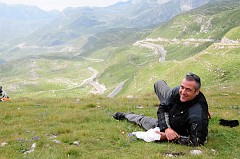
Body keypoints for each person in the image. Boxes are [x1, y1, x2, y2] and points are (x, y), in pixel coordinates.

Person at [113, 73, 209, 146]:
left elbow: (197, 141)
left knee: (143, 120)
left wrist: (169, 137)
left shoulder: (197, 114)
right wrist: (167, 128)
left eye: (188, 89)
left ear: (197, 92)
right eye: (182, 87)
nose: (183, 92)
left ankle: (126, 115)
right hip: (170, 118)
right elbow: (162, 108)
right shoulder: (177, 92)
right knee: (159, 83)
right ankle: (127, 115)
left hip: (177, 128)